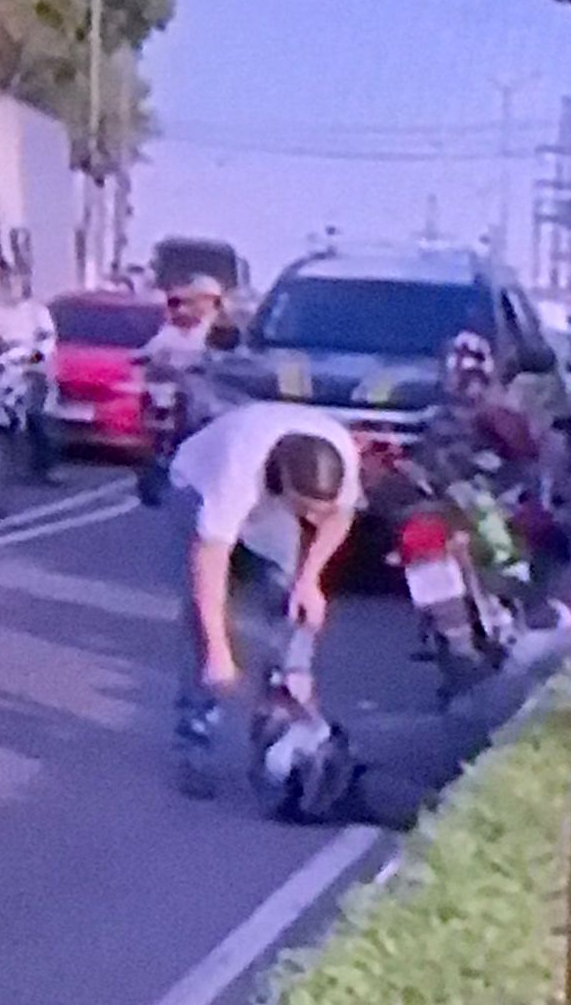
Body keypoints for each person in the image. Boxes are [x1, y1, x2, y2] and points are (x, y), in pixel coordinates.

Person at [166, 401, 362, 797]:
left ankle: (278, 719)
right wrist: (220, 651)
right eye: (306, 511)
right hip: (195, 485)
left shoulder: (341, 450)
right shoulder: (237, 472)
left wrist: (310, 580)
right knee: (206, 625)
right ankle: (196, 738)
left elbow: (339, 518)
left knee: (290, 598)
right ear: (287, 486)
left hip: (272, 506)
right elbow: (211, 562)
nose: (312, 521)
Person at [5, 278, 60, 486]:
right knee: (9, 420)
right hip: (9, 372)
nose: (10, 287)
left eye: (13, 283)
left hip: (36, 374)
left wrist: (30, 360)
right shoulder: (1, 311)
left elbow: (47, 343)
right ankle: (15, 469)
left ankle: (46, 469)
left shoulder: (37, 312)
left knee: (39, 420)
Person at [140, 273, 226, 369]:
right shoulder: (169, 331)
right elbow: (146, 354)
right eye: (203, 297)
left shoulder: (218, 328)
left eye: (211, 299)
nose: (206, 302)